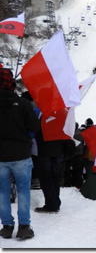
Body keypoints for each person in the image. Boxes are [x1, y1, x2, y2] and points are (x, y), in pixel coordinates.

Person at [0, 68, 40, 239]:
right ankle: (24, 226)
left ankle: (7, 226)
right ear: (12, 84)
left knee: (2, 192)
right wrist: (24, 137)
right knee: (24, 190)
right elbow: (34, 128)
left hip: (0, 156)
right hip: (21, 155)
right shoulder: (23, 104)